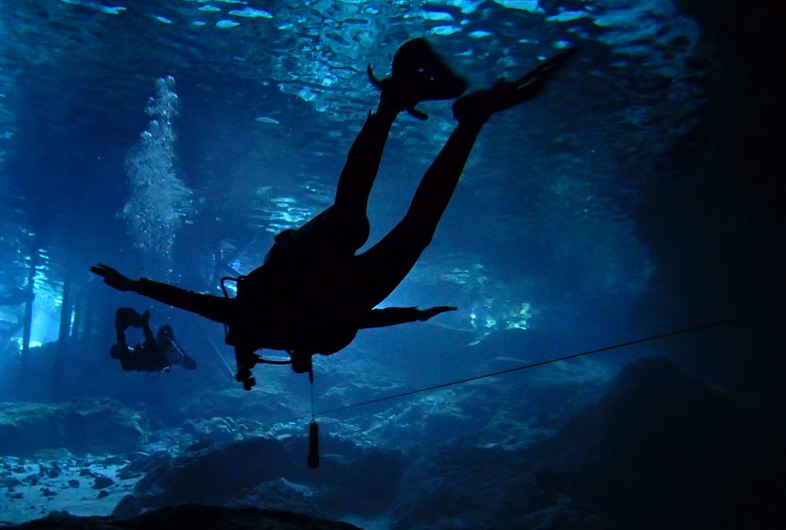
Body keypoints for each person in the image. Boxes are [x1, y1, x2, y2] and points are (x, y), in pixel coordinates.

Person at [92, 38, 576, 389]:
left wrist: (134, 285)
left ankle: (406, 105)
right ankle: (468, 120)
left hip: (307, 272)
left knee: (364, 224)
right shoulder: (294, 329)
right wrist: (416, 314)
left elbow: (194, 302)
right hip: (343, 291)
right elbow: (369, 320)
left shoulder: (261, 318)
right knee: (398, 228)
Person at [109, 306, 198, 373]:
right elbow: (153, 345)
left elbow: (152, 344)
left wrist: (144, 325)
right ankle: (184, 361)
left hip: (168, 355)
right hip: (169, 354)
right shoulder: (131, 362)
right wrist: (144, 325)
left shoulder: (134, 359)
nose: (127, 348)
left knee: (165, 332)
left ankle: (182, 360)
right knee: (165, 338)